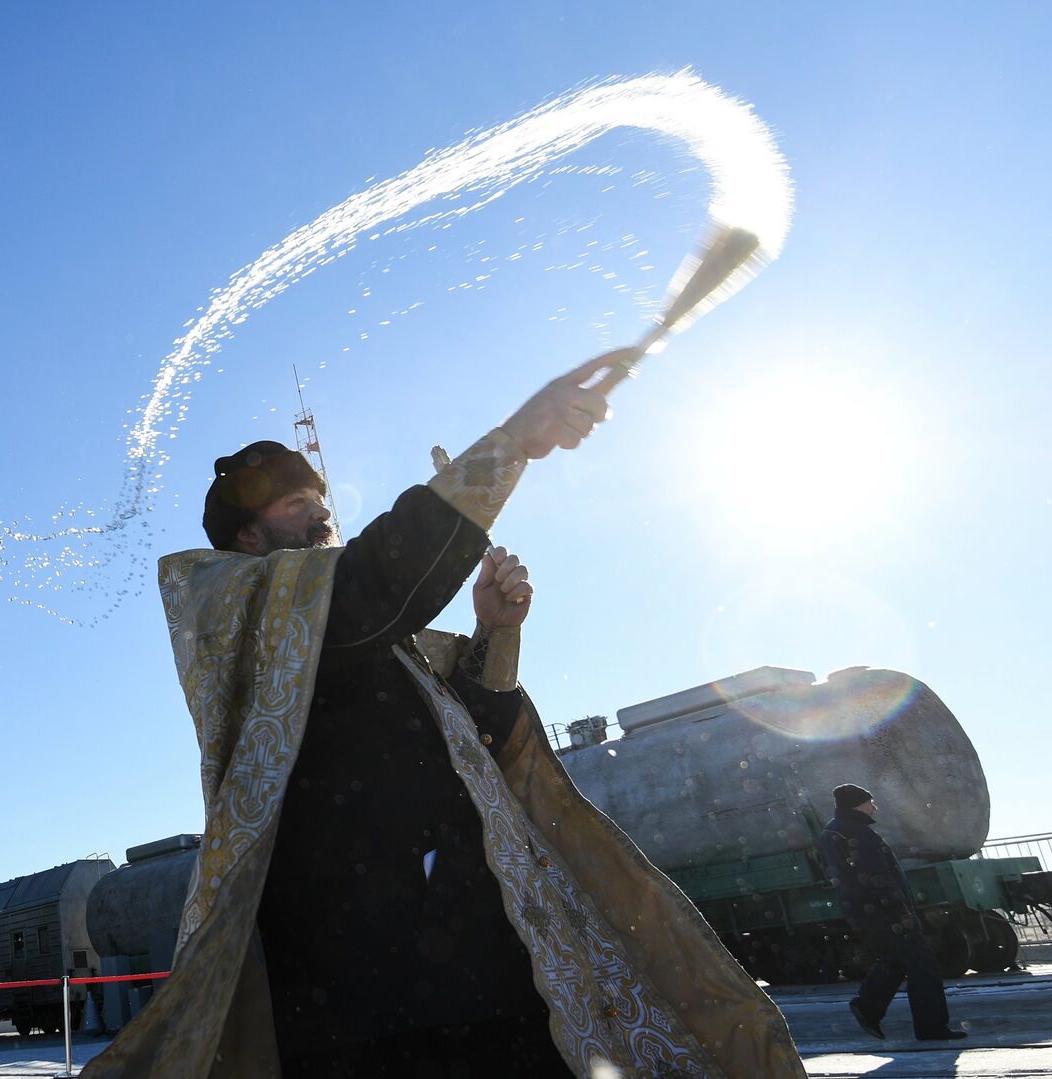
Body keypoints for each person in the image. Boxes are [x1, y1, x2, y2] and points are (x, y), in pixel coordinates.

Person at [85, 352, 805, 1078]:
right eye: (292, 503)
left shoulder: (378, 637)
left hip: (483, 963)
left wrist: (494, 629)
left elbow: (483, 741)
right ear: (246, 536)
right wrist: (513, 441)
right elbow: (372, 582)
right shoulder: (231, 599)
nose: (318, 510)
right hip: (362, 993)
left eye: (319, 497)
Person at [818, 783, 966, 1042]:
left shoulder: (834, 832)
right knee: (924, 967)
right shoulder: (857, 833)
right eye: (869, 801)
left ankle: (867, 1006)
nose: (874, 806)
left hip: (867, 913)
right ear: (856, 804)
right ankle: (931, 1027)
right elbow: (876, 876)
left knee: (894, 961)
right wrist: (900, 912)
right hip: (884, 913)